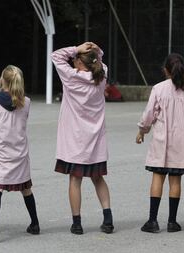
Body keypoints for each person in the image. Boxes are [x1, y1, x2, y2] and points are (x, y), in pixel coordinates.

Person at [51, 42, 114, 235]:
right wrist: (95, 49)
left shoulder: (71, 77)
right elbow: (101, 60)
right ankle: (108, 219)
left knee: (75, 180)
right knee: (98, 179)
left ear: (79, 61)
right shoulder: (101, 76)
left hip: (75, 142)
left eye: (75, 59)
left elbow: (55, 56)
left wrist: (76, 48)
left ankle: (77, 223)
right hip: (95, 141)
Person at [136, 53, 184, 233]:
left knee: (157, 178)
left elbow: (149, 114)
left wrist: (142, 130)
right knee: (175, 181)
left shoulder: (159, 88)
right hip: (183, 142)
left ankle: (152, 221)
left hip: (162, 140)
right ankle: (172, 222)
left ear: (166, 70)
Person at [0, 65, 40, 244]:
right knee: (26, 188)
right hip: (19, 153)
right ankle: (35, 223)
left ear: (2, 80)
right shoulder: (26, 102)